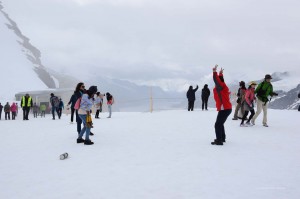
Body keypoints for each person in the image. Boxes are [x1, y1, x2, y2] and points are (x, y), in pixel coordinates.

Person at [211, 65, 232, 145]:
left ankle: (219, 140)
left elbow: (217, 80)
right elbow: (220, 80)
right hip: (226, 108)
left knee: (217, 125)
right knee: (220, 123)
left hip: (225, 109)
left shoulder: (221, 87)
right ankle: (222, 138)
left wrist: (214, 72)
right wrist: (220, 74)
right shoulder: (222, 86)